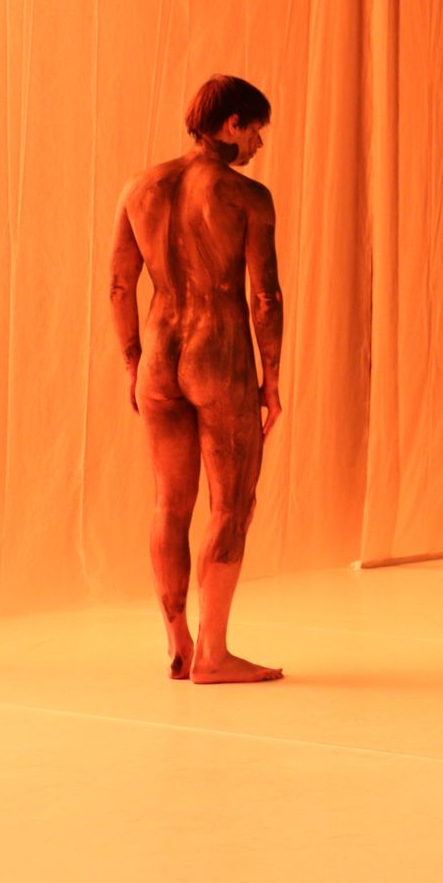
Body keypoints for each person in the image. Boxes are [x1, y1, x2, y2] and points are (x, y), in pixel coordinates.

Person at [109, 75, 285, 683]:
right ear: (232, 124)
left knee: (169, 503)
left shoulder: (140, 188)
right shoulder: (246, 196)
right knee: (231, 504)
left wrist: (132, 364)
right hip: (219, 356)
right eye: (255, 129)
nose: (258, 142)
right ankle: (213, 653)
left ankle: (179, 643)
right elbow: (265, 297)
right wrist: (271, 378)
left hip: (158, 357)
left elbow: (119, 285)